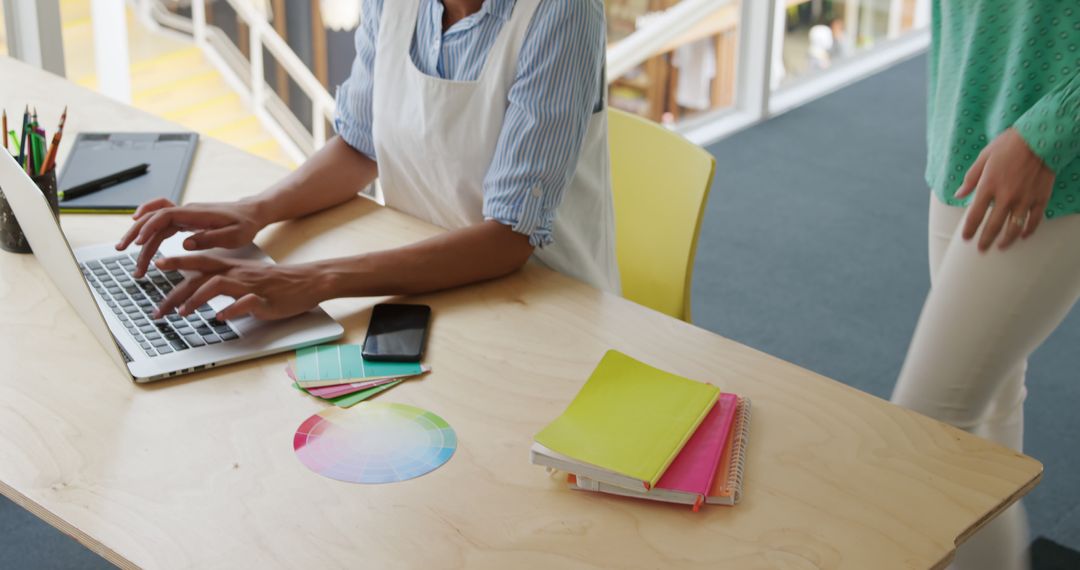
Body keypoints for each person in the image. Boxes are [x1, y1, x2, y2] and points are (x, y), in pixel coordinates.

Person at [116, 0, 619, 322]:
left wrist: (314, 279)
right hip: (428, 285)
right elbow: (360, 145)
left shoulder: (562, 11)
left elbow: (509, 239)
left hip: (546, 300)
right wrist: (256, 210)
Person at [891, 2, 1080, 569]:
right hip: (970, 121)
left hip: (1050, 156)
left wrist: (1054, 130)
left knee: (923, 430)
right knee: (984, 420)